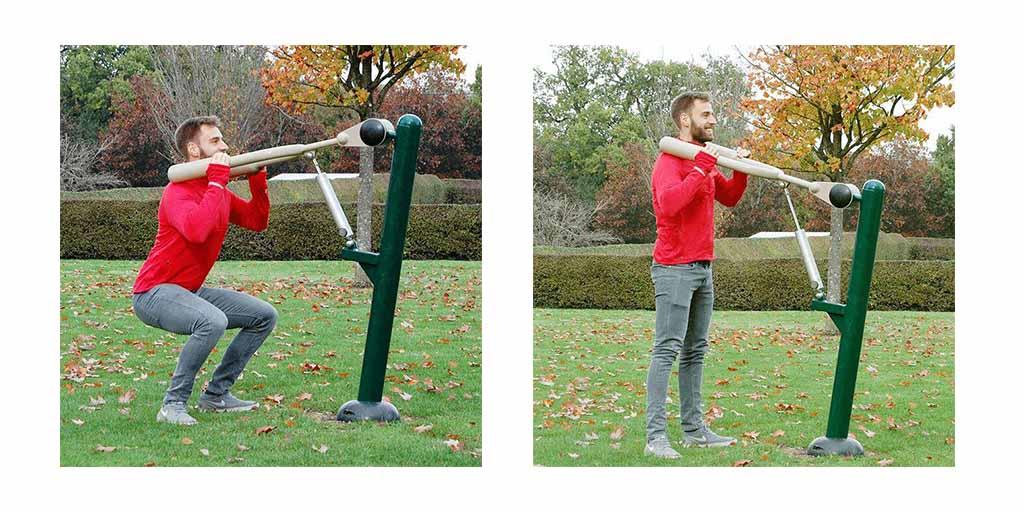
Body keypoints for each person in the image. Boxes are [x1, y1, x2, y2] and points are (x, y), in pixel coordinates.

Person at [131, 115, 277, 426]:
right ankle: (172, 405)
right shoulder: (177, 192)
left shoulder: (218, 191)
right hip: (153, 293)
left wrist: (257, 180)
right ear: (193, 151)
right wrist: (216, 182)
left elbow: (257, 221)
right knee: (212, 321)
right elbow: (197, 231)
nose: (224, 146)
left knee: (264, 315)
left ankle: (216, 396)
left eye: (222, 140)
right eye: (215, 141)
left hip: (188, 290)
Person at [644, 92, 748, 458]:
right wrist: (702, 168)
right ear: (685, 120)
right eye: (706, 114)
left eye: (713, 113)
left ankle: (695, 432)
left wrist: (739, 169)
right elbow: (670, 204)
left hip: (703, 268)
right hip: (674, 268)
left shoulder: (703, 160)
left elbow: (730, 197)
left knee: (695, 353)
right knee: (667, 350)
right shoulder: (670, 162)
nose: (713, 120)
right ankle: (655, 438)